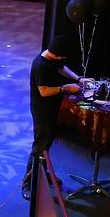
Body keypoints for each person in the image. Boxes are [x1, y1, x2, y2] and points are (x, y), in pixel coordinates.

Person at [22, 35, 83, 200]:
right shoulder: (41, 66)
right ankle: (28, 182)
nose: (63, 60)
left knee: (46, 145)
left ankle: (41, 173)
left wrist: (78, 79)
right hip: (42, 111)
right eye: (62, 57)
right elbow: (44, 91)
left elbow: (61, 68)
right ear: (57, 54)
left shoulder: (51, 57)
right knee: (40, 146)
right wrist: (66, 88)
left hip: (52, 108)